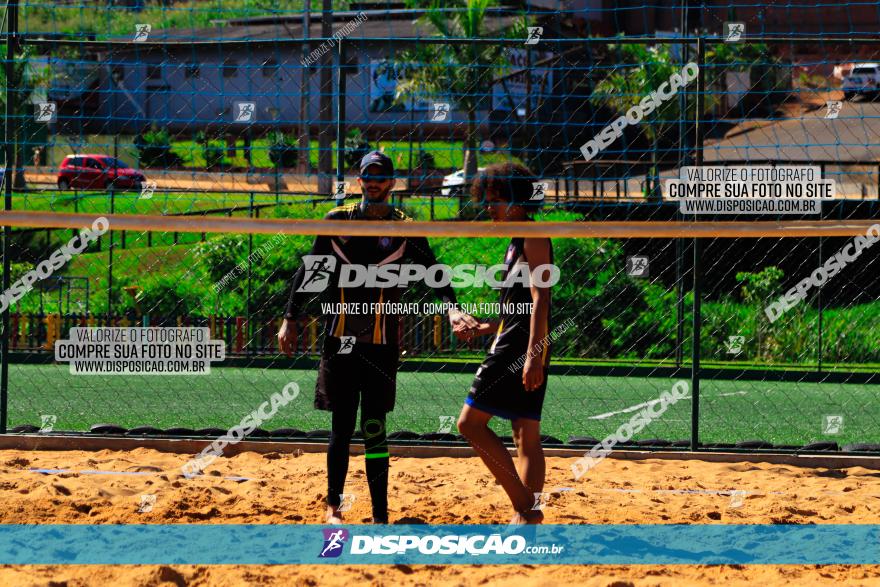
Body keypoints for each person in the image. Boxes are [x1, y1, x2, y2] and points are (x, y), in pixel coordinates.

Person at [278, 151, 477, 524]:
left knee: (374, 428)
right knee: (341, 425)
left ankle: (380, 514)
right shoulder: (336, 221)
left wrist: (452, 307)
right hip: (340, 339)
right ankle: (333, 506)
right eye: (367, 177)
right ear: (359, 182)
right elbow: (312, 273)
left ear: (391, 184)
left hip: (383, 344)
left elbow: (434, 271)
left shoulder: (405, 227)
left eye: (380, 177)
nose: (373, 183)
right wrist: (290, 317)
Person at [456, 162, 554, 525]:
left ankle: (526, 506)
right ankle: (525, 517)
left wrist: (532, 355)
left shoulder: (532, 235)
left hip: (521, 345)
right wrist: (484, 327)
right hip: (519, 338)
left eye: (494, 200)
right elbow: (519, 305)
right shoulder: (516, 239)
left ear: (516, 200)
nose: (487, 207)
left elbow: (541, 298)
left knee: (469, 424)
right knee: (525, 431)